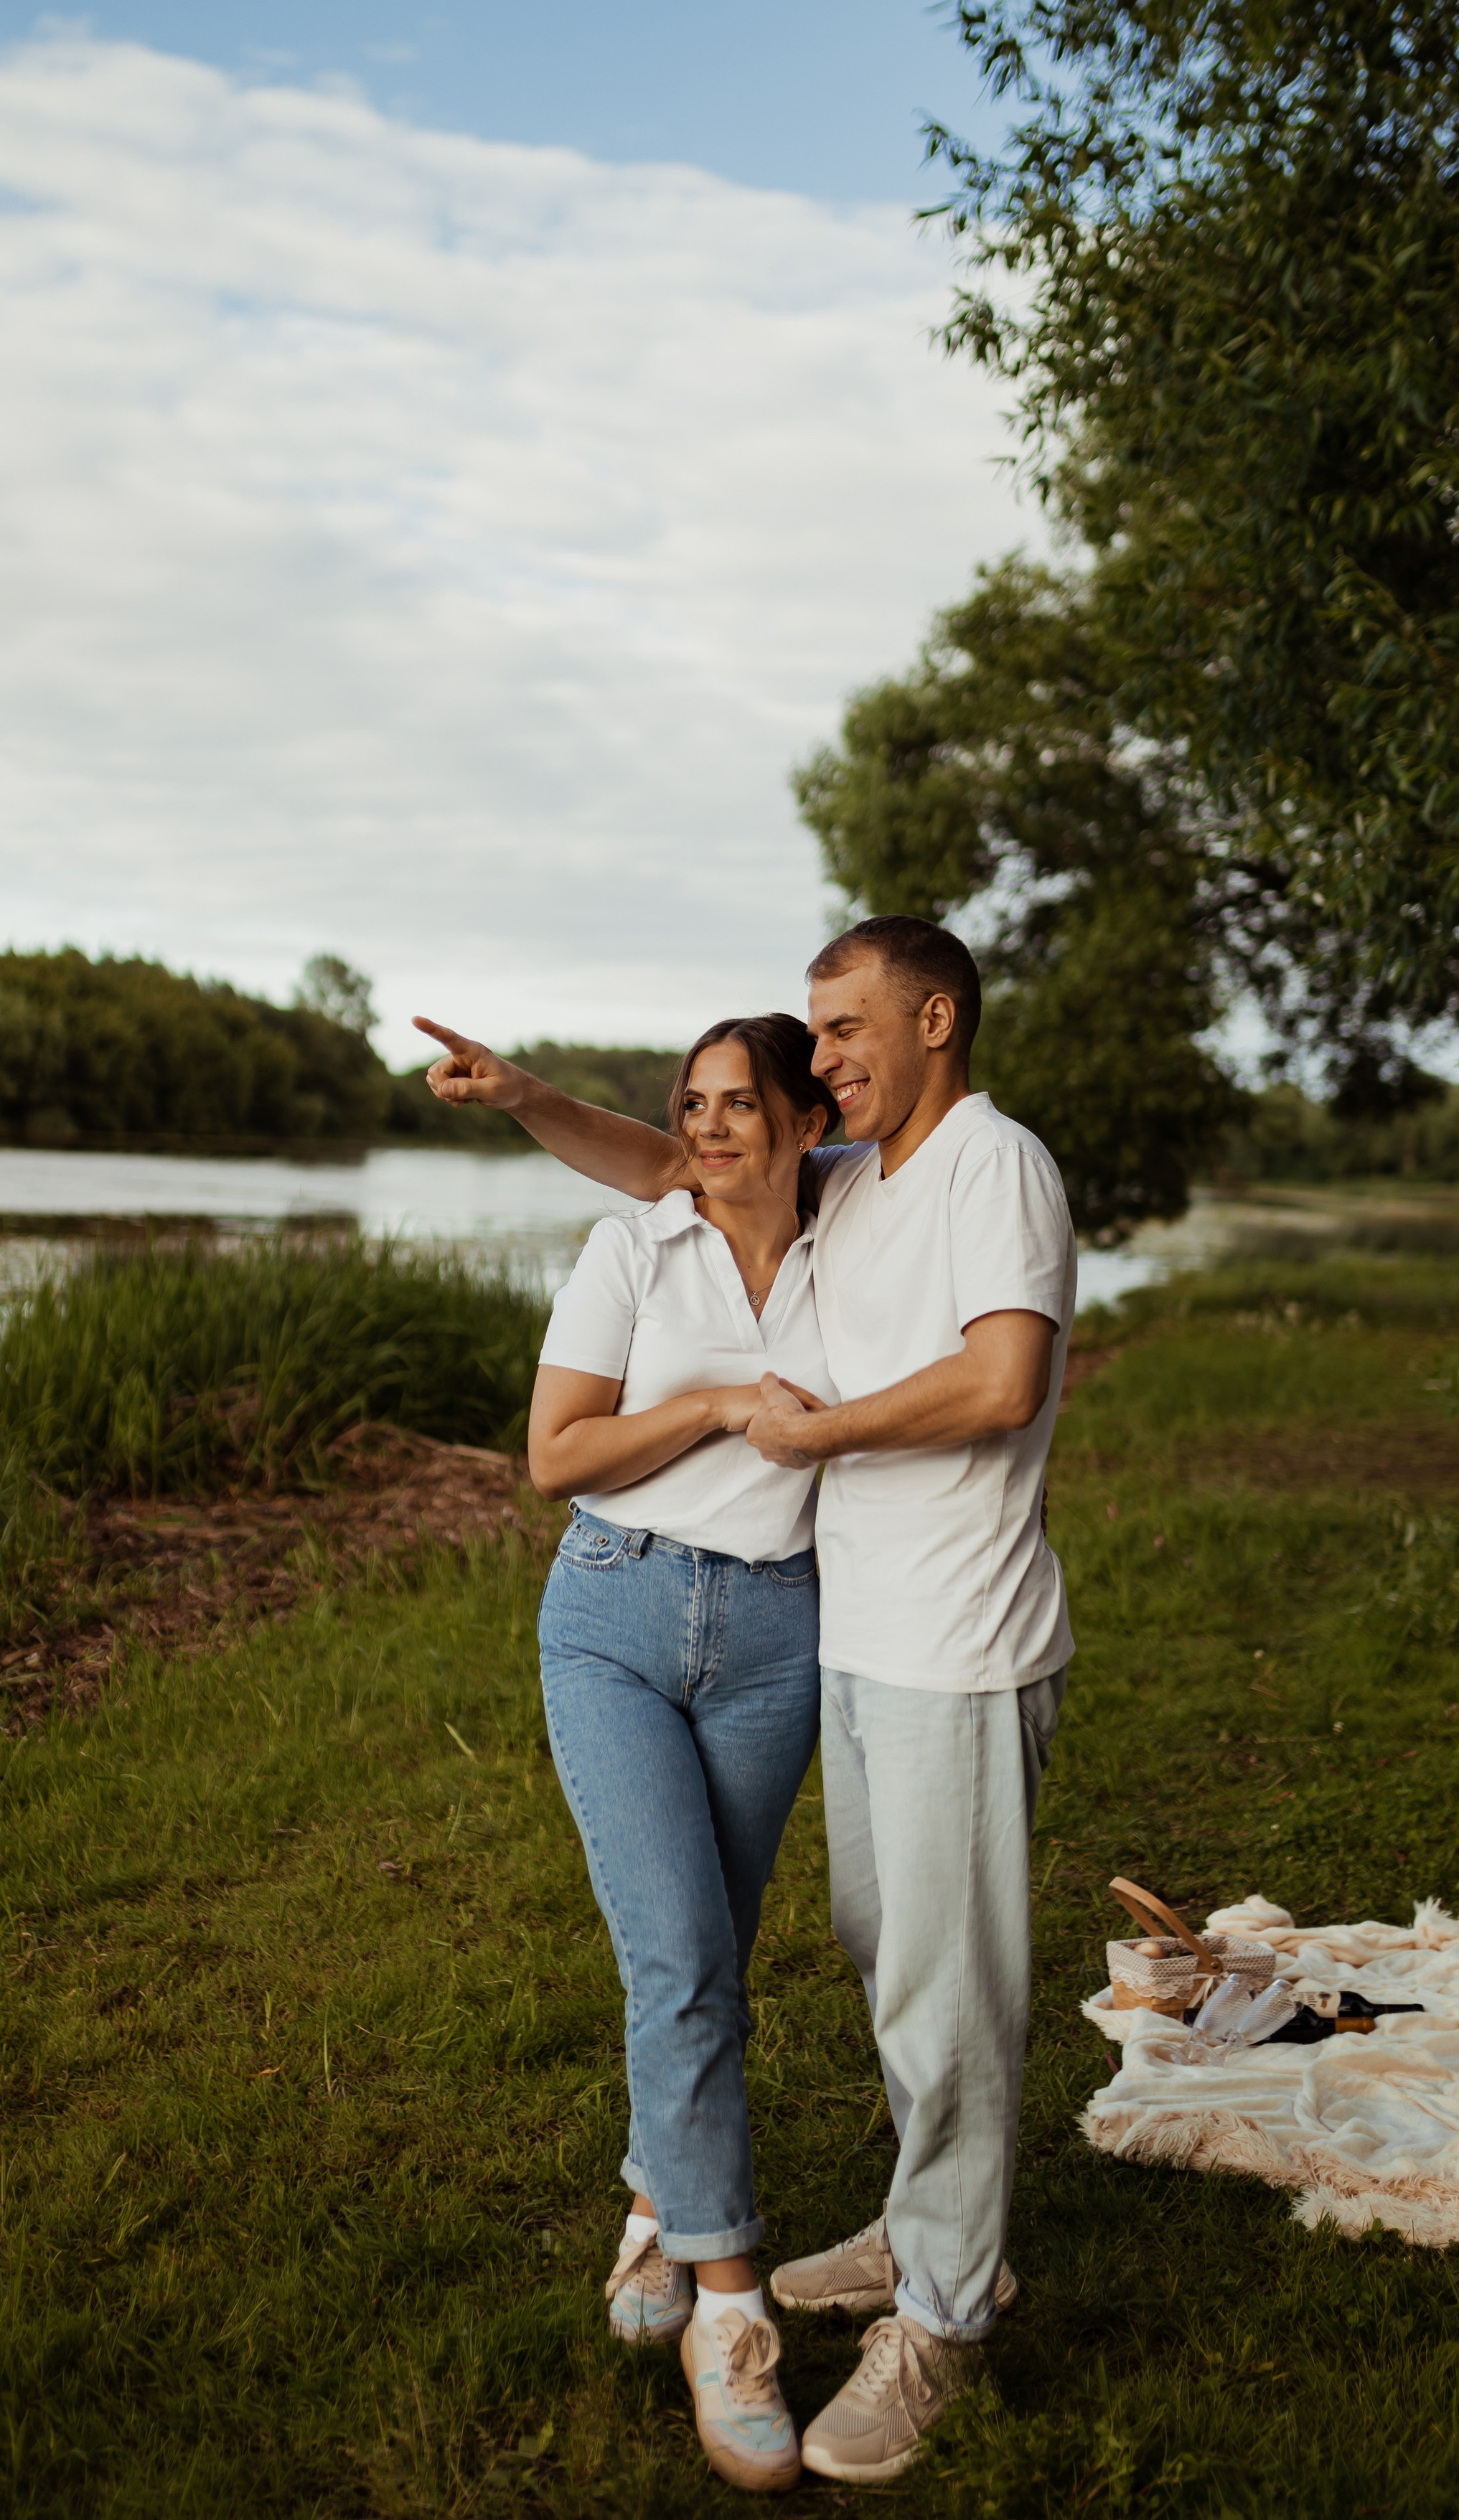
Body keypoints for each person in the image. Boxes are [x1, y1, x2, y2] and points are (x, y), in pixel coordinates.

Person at [416, 913, 1074, 2488]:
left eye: (839, 1031)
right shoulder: (828, 1190)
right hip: (795, 1635)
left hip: (927, 1639)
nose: (823, 1056)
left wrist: (819, 1431)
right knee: (841, 1951)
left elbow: (1001, 1383)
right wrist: (520, 1098)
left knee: (918, 1983)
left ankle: (909, 2300)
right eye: (813, 1036)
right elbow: (660, 1169)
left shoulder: (972, 1166)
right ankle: (868, 2225)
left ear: (931, 1020)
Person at [525, 1012, 836, 2496]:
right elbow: (556, 1456)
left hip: (779, 1635)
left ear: (799, 1114)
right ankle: (731, 2311)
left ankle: (656, 2202)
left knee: (714, 1946)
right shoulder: (631, 1251)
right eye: (688, 1107)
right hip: (614, 1618)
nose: (707, 1130)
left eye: (737, 1104)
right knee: (681, 1961)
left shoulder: (863, 1236)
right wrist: (716, 1404)